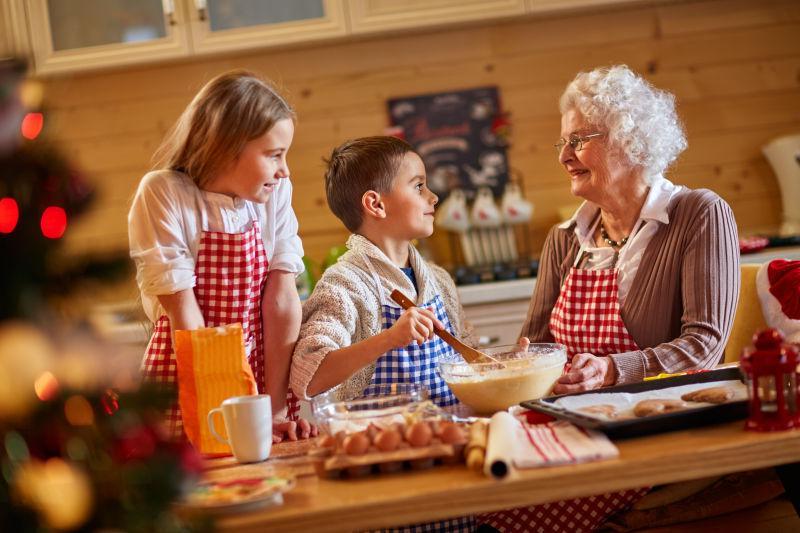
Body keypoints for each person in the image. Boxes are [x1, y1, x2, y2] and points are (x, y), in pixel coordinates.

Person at [480, 65, 741, 532]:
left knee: (510, 509)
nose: (564, 156)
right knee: (476, 492)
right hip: (574, 425)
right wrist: (521, 370)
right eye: (563, 142)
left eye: (578, 139)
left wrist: (610, 369)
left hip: (652, 431)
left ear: (630, 139)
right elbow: (533, 343)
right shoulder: (566, 238)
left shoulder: (698, 213)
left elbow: (705, 345)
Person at [290, 136, 475, 530]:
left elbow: (468, 359)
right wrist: (389, 338)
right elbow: (308, 375)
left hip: (449, 468)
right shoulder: (346, 284)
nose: (434, 197)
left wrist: (502, 368)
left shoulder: (437, 280)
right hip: (381, 477)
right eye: (419, 185)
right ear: (376, 203)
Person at [129, 70, 314, 444]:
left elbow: (280, 300)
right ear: (226, 146)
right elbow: (186, 314)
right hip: (190, 371)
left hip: (266, 369)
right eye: (274, 155)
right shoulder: (164, 193)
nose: (284, 170)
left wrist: (272, 409)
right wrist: (230, 412)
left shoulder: (275, 192)